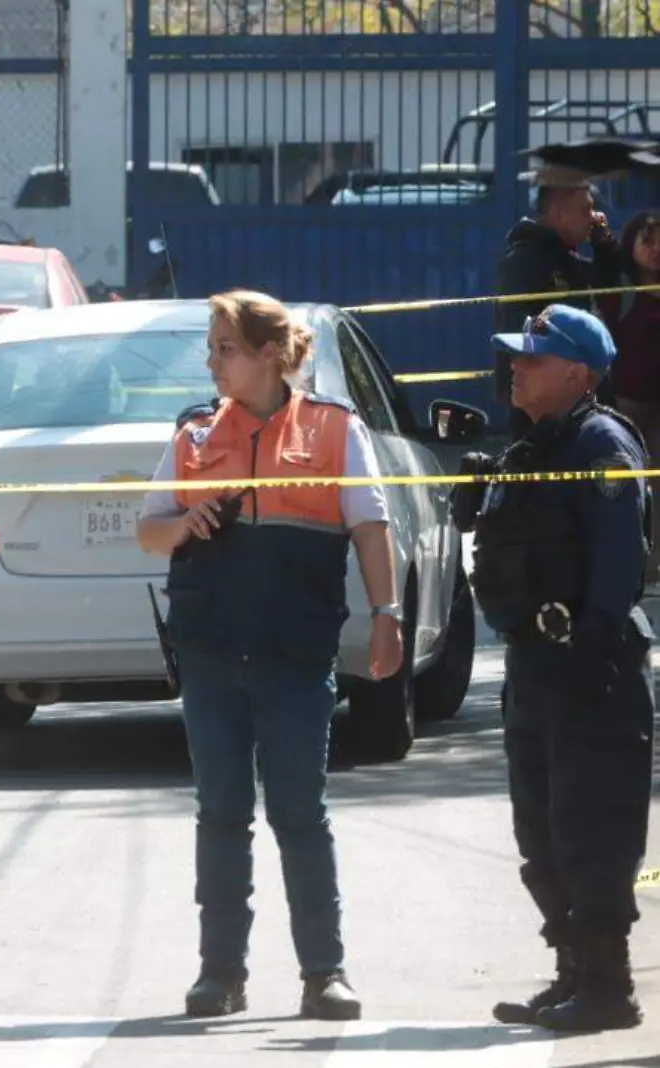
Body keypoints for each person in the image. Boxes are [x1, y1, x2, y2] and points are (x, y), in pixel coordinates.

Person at [135, 290, 403, 1021]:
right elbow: (147, 532)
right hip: (212, 653)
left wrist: (388, 616)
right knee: (220, 813)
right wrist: (184, 523)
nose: (212, 361)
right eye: (212, 347)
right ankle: (220, 974)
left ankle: (325, 973)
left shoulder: (332, 429)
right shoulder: (193, 435)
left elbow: (371, 529)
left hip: (294, 655)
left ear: (269, 355)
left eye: (225, 347)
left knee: (299, 814)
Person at [453, 305, 654, 1033]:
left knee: (590, 829)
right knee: (539, 831)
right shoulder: (533, 446)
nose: (516, 368)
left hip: (587, 666)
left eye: (533, 359)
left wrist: (595, 648)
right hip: (534, 667)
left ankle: (608, 988)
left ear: (576, 371)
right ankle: (573, 971)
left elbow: (619, 558)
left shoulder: (600, 442)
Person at [493, 177, 622, 435]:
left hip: (575, 399)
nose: (594, 217)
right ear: (560, 214)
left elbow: (607, 284)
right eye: (585, 210)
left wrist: (603, 243)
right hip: (542, 406)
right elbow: (519, 333)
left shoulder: (567, 259)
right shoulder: (525, 260)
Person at [596, 210, 660, 585]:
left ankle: (652, 569)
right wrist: (603, 243)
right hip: (626, 405)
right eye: (648, 241)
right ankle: (628, 564)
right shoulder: (621, 291)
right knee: (629, 484)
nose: (656, 250)